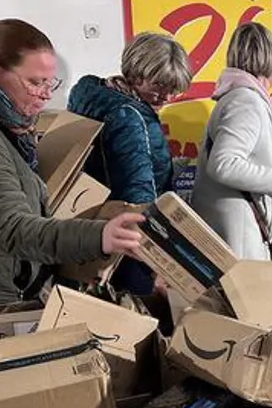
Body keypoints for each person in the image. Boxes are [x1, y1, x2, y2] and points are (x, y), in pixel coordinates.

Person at [0, 19, 145, 307]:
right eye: (35, 82)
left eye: (51, 83)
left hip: (2, 287)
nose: (46, 93)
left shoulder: (1, 122)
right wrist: (101, 236)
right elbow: (12, 229)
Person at [68, 32, 194, 294]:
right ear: (136, 73)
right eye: (159, 86)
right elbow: (137, 192)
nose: (166, 97)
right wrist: (157, 258)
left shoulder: (92, 93)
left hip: (89, 225)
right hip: (128, 240)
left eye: (173, 89)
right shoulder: (131, 117)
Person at [190, 22, 272, 260]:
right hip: (237, 230)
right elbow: (224, 164)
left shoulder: (238, 97)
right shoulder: (246, 101)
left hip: (235, 224)